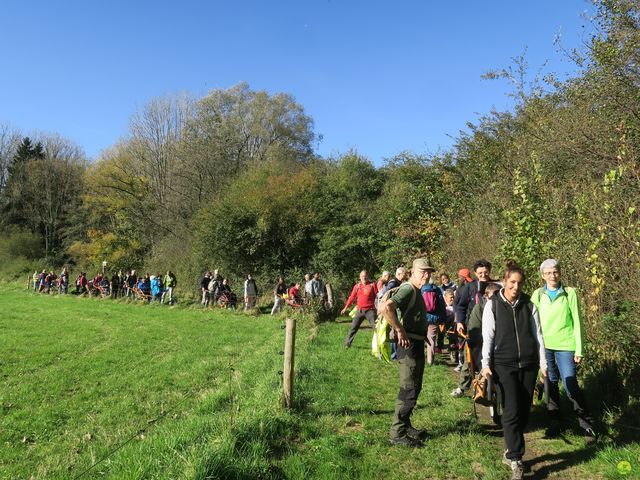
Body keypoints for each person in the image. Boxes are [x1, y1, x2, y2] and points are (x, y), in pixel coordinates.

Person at [480, 261, 547, 480]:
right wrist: (485, 364)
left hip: (529, 364)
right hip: (503, 364)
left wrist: (544, 364)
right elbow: (488, 336)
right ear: (504, 281)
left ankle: (511, 450)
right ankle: (516, 457)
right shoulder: (493, 305)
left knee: (524, 411)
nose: (516, 287)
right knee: (510, 409)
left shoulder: (529, 304)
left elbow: (539, 336)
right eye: (512, 282)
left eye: (519, 283)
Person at [531, 259, 596, 442]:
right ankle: (555, 422)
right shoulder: (537, 294)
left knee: (570, 384)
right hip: (545, 346)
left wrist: (579, 349)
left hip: (566, 345)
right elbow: (532, 321)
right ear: (543, 275)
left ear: (560, 272)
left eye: (556, 272)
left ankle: (587, 426)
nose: (553, 276)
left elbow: (577, 321)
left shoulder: (569, 293)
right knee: (549, 384)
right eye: (549, 273)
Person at [379, 258, 435, 447]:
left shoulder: (417, 290)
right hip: (408, 346)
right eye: (422, 271)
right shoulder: (408, 289)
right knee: (408, 389)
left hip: (416, 343)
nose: (426, 275)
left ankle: (406, 425)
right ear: (412, 271)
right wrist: (400, 330)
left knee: (415, 387)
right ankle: (397, 433)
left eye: (429, 272)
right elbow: (387, 308)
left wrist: (423, 335)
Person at [451, 259, 492, 394]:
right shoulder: (470, 287)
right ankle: (463, 387)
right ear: (475, 273)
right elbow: (461, 306)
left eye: (486, 272)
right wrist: (459, 322)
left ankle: (486, 385)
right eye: (480, 272)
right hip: (473, 327)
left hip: (492, 328)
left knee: (489, 356)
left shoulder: (495, 286)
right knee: (469, 357)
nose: (483, 275)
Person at [341, 270, 378, 348]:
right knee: (353, 328)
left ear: (367, 276)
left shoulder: (372, 285)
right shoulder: (357, 286)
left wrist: (379, 308)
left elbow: (378, 296)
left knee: (376, 328)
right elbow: (352, 297)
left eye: (365, 276)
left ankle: (380, 345)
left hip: (370, 310)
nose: (364, 278)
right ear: (360, 277)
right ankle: (347, 344)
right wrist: (345, 308)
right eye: (362, 276)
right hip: (360, 310)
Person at [421, 275, 446, 365]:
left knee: (420, 337)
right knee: (431, 339)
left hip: (423, 317)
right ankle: (430, 361)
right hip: (434, 318)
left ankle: (420, 358)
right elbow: (442, 305)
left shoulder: (421, 288)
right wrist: (442, 319)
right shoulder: (437, 289)